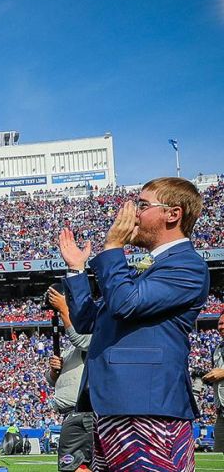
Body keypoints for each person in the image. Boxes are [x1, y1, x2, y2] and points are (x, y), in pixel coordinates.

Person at [60, 177, 210, 472]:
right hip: (113, 406)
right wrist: (77, 270)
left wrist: (113, 247)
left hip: (146, 406)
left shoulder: (187, 265)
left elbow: (125, 304)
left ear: (173, 213)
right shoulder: (146, 270)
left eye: (143, 204)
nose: (134, 212)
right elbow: (88, 320)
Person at [44, 287, 93, 472]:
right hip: (73, 413)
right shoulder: (70, 351)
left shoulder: (90, 340)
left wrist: (64, 309)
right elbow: (53, 380)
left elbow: (79, 339)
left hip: (85, 412)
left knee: (73, 466)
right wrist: (55, 371)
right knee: (75, 466)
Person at [201, 313, 224, 453]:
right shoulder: (217, 349)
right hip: (221, 414)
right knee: (218, 457)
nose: (221, 327)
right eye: (219, 324)